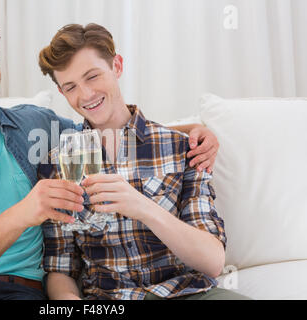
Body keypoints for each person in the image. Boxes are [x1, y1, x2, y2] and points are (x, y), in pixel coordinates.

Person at [0, 10, 219, 300]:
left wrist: (194, 130)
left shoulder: (36, 126)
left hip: (18, 289)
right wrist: (26, 211)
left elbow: (109, 126)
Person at [38, 23, 250, 300]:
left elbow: (212, 261)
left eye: (92, 76)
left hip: (187, 292)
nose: (86, 95)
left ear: (117, 66)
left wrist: (140, 206)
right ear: (62, 92)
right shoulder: (59, 164)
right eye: (71, 86)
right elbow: (61, 270)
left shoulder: (182, 148)